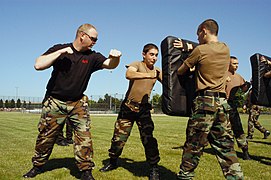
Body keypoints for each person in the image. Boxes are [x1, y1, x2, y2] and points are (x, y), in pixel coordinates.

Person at [23, 23, 122, 180]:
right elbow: (38, 65)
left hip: (77, 103)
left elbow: (109, 64)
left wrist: (115, 58)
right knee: (45, 137)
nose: (95, 42)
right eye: (93, 39)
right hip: (54, 101)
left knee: (84, 136)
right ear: (82, 35)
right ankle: (37, 166)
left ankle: (86, 171)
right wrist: (61, 52)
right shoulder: (60, 49)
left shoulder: (92, 56)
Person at [174, 19, 244, 179]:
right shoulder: (226, 48)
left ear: (203, 30)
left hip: (205, 103)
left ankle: (185, 176)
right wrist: (191, 48)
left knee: (194, 144)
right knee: (225, 145)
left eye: (198, 34)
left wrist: (190, 60)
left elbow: (180, 71)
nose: (197, 37)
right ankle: (236, 177)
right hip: (222, 104)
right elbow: (206, 50)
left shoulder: (200, 51)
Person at [99, 43, 162, 180]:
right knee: (118, 140)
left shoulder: (157, 71)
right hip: (127, 108)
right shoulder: (137, 64)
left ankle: (154, 168)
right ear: (143, 54)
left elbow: (170, 82)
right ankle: (113, 162)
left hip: (143, 110)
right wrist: (148, 76)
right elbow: (129, 74)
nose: (154, 58)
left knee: (149, 139)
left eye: (156, 55)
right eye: (151, 54)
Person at [225, 56, 251, 160]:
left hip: (232, 105)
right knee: (222, 129)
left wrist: (247, 86)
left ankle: (245, 151)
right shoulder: (221, 74)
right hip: (221, 103)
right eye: (234, 64)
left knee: (238, 128)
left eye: (237, 64)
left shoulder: (239, 77)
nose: (236, 66)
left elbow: (243, 89)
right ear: (228, 64)